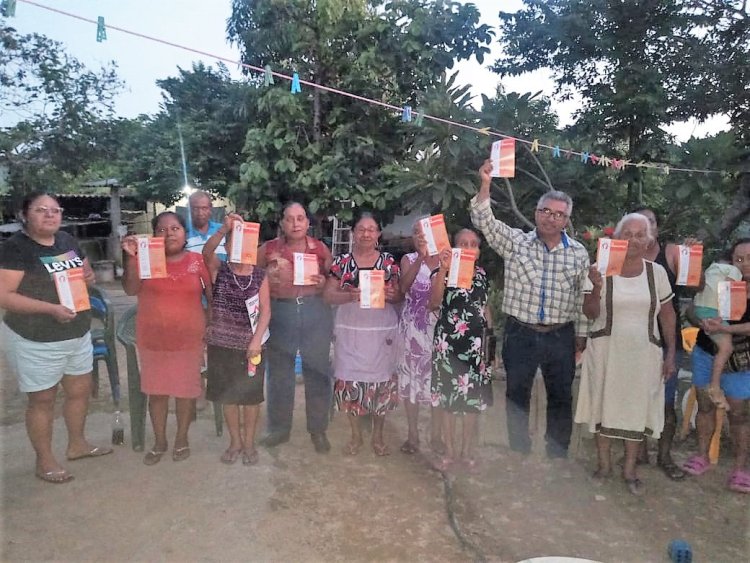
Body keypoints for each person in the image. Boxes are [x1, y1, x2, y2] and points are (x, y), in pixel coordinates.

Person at [470, 159, 590, 458]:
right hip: (520, 333)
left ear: (566, 220)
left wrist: (582, 336)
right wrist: (486, 183)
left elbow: (580, 296)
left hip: (560, 335)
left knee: (561, 395)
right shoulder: (516, 243)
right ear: (537, 214)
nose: (551, 218)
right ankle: (519, 450)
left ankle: (557, 453)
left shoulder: (578, 253)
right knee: (516, 394)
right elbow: (484, 220)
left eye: (558, 214)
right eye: (545, 211)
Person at [0, 192, 112, 484]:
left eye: (55, 210)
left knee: (79, 391)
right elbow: (4, 296)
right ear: (25, 215)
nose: (50, 215)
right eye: (41, 210)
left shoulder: (66, 240)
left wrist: (88, 278)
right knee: (42, 399)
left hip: (75, 331)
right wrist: (50, 309)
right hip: (35, 337)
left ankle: (77, 444)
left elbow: (85, 273)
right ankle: (45, 461)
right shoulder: (16, 249)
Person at [575, 213, 677, 496]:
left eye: (639, 234)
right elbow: (590, 313)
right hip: (606, 352)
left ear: (649, 240)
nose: (633, 239)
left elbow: (668, 316)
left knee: (635, 410)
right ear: (616, 239)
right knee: (603, 406)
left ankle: (630, 469)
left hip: (644, 355)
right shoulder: (600, 269)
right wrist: (595, 288)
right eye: (627, 234)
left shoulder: (657, 273)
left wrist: (670, 354)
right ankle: (604, 465)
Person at [121, 211, 212, 465]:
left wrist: (212, 323)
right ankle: (160, 440)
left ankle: (181, 438)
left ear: (185, 233)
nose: (169, 233)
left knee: (185, 392)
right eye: (162, 230)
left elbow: (212, 294)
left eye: (175, 229)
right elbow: (130, 289)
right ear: (154, 235)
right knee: (157, 392)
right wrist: (131, 259)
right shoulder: (146, 259)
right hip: (153, 338)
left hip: (189, 338)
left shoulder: (197, 261)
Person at [257, 202, 334, 453]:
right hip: (281, 311)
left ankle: (318, 429)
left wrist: (323, 283)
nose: (295, 223)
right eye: (290, 219)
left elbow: (332, 281)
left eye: (300, 218)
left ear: (307, 223)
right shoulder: (268, 250)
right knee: (280, 374)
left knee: (317, 372)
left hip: (314, 311)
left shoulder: (320, 249)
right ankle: (279, 428)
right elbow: (252, 276)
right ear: (282, 223)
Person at [323, 211, 402, 456]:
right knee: (349, 382)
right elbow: (327, 296)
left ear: (378, 234)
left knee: (381, 384)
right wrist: (350, 295)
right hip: (351, 333)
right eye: (361, 229)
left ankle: (377, 437)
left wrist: (392, 295)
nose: (366, 233)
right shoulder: (342, 262)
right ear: (353, 233)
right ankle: (356, 436)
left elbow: (400, 296)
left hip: (381, 334)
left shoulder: (388, 263)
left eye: (371, 229)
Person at [682, 239, 750, 494]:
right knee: (706, 406)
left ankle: (741, 469)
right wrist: (704, 323)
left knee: (739, 415)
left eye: (749, 258)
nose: (744, 264)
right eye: (738, 259)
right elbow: (690, 309)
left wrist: (726, 329)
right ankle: (702, 456)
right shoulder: (719, 280)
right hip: (705, 351)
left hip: (741, 361)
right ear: (730, 261)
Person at [203, 213, 270, 466]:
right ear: (228, 247)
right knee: (228, 396)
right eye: (234, 242)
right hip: (221, 344)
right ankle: (235, 442)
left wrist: (255, 340)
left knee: (251, 397)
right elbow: (205, 254)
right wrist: (224, 228)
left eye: (246, 242)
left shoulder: (260, 275)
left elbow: (266, 311)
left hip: (252, 346)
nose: (241, 247)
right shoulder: (219, 269)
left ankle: (250, 443)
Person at [631, 206, 689, 480]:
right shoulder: (624, 254)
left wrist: (691, 259)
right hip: (633, 339)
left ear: (657, 226)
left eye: (650, 222)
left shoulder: (672, 252)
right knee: (636, 399)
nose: (646, 227)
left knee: (666, 402)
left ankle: (664, 457)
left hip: (666, 340)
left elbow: (694, 286)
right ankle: (638, 453)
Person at [429, 228, 492, 471]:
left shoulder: (482, 275)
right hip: (448, 344)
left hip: (475, 346)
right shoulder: (441, 273)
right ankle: (450, 451)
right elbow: (433, 304)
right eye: (462, 243)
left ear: (478, 251)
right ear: (454, 248)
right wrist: (444, 269)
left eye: (473, 244)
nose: (468, 247)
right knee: (448, 399)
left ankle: (467, 452)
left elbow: (485, 308)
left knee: (472, 401)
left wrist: (490, 343)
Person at [396, 219, 443, 455]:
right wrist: (422, 259)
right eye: (415, 232)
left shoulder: (448, 260)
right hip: (413, 331)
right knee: (412, 381)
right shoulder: (409, 260)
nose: (420, 236)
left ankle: (436, 436)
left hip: (440, 331)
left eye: (424, 232)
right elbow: (403, 288)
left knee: (437, 383)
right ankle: (413, 435)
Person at [692, 259, 742, 410]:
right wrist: (720, 318)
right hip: (713, 310)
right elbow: (727, 291)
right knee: (726, 348)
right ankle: (715, 386)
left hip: (700, 308)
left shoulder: (711, 268)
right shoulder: (734, 270)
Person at [186, 190, 227, 260]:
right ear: (189, 209)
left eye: (204, 208)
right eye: (195, 208)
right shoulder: (182, 233)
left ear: (210, 208)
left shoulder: (223, 230)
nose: (200, 213)